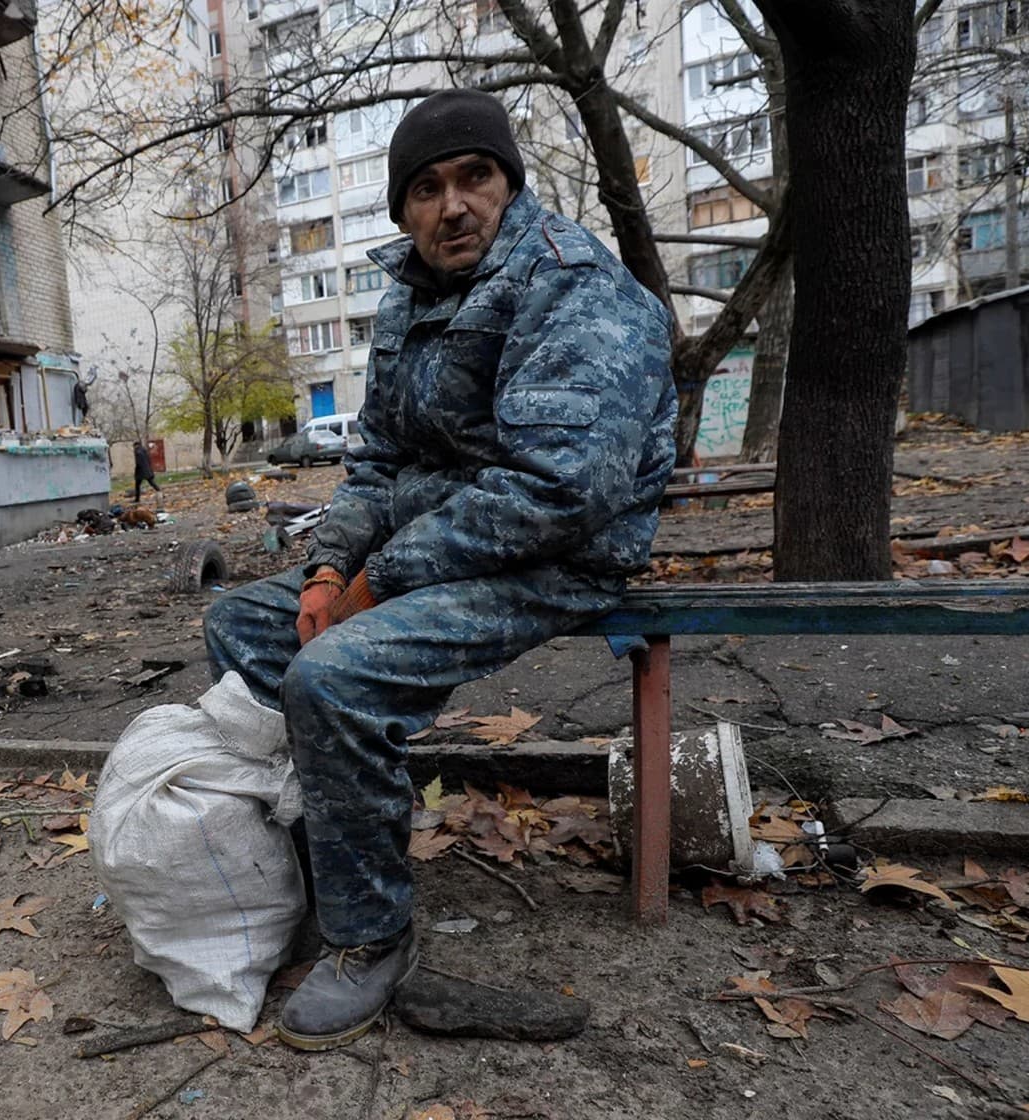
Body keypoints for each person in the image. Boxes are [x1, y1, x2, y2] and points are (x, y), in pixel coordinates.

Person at [203, 89, 677, 1051]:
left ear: (508, 182)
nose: (451, 206)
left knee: (333, 677)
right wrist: (332, 570)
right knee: (245, 626)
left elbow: (561, 491)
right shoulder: (411, 298)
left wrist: (384, 581)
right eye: (425, 189)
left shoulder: (570, 283)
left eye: (474, 177)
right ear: (402, 209)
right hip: (443, 543)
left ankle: (371, 936)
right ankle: (315, 869)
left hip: (560, 555)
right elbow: (377, 464)